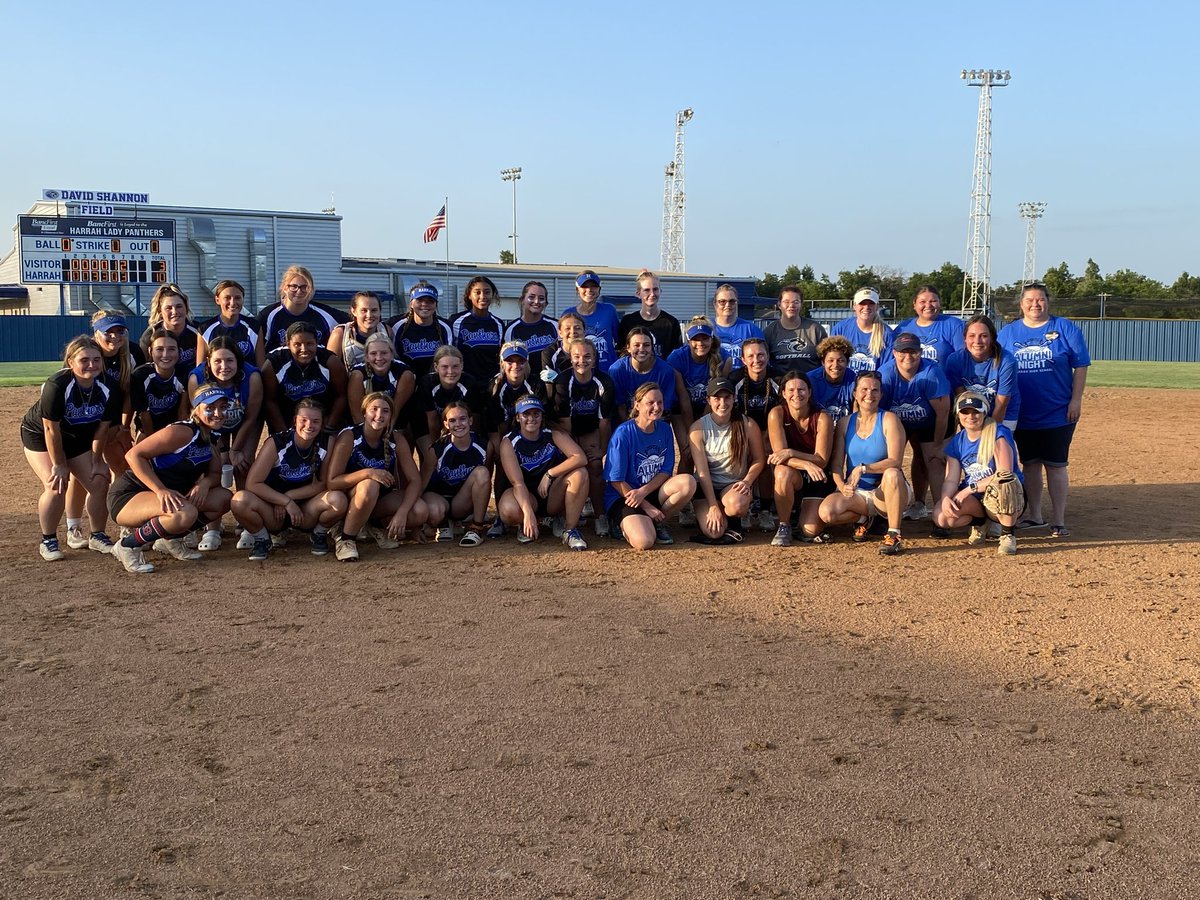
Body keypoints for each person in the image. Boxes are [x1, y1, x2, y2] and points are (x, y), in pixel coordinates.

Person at [107, 386, 235, 574]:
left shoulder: (212, 437)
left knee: (223, 498)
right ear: (196, 409)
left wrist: (204, 484)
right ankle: (127, 546)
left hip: (169, 496)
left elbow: (215, 474)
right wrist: (160, 490)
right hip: (129, 495)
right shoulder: (183, 431)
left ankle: (169, 540)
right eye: (210, 407)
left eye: (222, 407)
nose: (217, 413)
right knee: (185, 513)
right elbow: (134, 455)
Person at [997, 282, 1090, 537]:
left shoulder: (1064, 327)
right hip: (1022, 411)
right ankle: (1034, 515)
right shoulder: (1008, 333)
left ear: (1048, 302)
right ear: (1021, 304)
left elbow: (1080, 365)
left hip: (1058, 410)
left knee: (1056, 465)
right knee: (1030, 464)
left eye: (1040, 299)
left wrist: (1076, 400)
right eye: (1030, 300)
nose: (1035, 304)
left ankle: (1058, 520)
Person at [21, 337, 122, 561]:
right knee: (56, 484)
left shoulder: (109, 386)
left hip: (77, 437)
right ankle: (48, 540)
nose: (91, 365)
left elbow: (102, 430)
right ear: (70, 361)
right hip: (40, 435)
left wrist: (96, 461)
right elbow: (50, 430)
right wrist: (59, 464)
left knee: (99, 481)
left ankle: (97, 535)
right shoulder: (57, 385)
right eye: (84, 359)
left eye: (96, 359)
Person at [63, 311, 144, 547]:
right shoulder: (88, 354)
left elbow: (129, 393)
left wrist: (124, 426)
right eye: (108, 331)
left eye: (120, 331)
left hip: (114, 423)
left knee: (122, 467)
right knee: (80, 476)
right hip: (84, 422)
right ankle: (74, 527)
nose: (115, 336)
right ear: (96, 332)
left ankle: (125, 522)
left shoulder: (133, 353)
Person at [231, 398, 348, 560]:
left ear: (322, 423)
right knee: (239, 500)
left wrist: (289, 498)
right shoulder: (277, 443)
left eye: (315, 421)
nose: (309, 425)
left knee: (338, 499)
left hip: (303, 510)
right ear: (294, 421)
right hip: (272, 511)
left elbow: (322, 483)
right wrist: (282, 502)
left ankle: (318, 534)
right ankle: (262, 539)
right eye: (304, 420)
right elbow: (253, 484)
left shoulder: (327, 442)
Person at [325, 392, 428, 561]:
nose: (379, 415)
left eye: (385, 411)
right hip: (350, 496)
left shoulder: (396, 438)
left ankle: (375, 525)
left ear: (391, 416)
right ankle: (346, 538)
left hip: (379, 499)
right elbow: (332, 482)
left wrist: (402, 513)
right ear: (364, 412)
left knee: (420, 511)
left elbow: (414, 480)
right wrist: (368, 472)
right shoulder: (350, 436)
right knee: (369, 485)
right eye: (374, 409)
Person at [818, 371, 911, 555]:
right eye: (864, 389)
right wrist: (841, 485)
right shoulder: (845, 423)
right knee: (827, 513)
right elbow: (836, 465)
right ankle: (864, 518)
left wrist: (864, 468)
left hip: (885, 492)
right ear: (855, 393)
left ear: (881, 395)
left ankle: (894, 534)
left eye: (875, 390)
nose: (870, 395)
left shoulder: (889, 419)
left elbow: (895, 461)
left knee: (892, 473)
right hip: (858, 494)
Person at [603, 383, 697, 549]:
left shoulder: (664, 429)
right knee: (644, 542)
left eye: (660, 402)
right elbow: (615, 480)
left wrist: (644, 492)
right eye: (650, 403)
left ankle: (658, 523)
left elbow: (666, 470)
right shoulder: (624, 433)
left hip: (649, 490)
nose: (656, 407)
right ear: (637, 405)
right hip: (625, 496)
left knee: (688, 482)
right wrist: (644, 504)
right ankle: (621, 523)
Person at [934, 392, 1025, 556]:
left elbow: (1004, 473)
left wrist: (969, 489)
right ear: (958, 414)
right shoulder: (958, 441)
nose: (970, 416)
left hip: (1003, 494)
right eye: (965, 412)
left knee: (1006, 485)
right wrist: (946, 498)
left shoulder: (998, 432)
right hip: (977, 498)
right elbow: (950, 480)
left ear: (984, 412)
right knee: (942, 517)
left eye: (976, 411)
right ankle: (982, 523)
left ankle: (1007, 534)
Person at [497, 395, 590, 550]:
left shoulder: (552, 433)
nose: (531, 419)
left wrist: (550, 473)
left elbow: (580, 458)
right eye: (525, 414)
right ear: (518, 418)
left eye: (536, 414)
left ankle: (570, 530)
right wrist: (527, 512)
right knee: (508, 510)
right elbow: (517, 482)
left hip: (551, 494)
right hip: (526, 495)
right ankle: (527, 522)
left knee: (581, 474)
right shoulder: (509, 441)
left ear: (542, 416)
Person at [879, 332, 952, 525]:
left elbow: (943, 413)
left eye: (913, 352)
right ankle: (883, 510)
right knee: (886, 461)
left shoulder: (931, 372)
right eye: (903, 352)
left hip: (932, 420)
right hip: (898, 421)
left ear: (920, 353)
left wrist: (937, 445)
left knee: (933, 459)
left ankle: (940, 512)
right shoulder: (886, 375)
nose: (908, 357)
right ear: (894, 353)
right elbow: (879, 414)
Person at [687, 377, 766, 543]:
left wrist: (747, 481)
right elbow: (702, 472)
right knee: (714, 533)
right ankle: (710, 511)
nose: (722, 403)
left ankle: (733, 519)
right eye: (717, 398)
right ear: (708, 400)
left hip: (732, 484)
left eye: (727, 397)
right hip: (706, 486)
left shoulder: (748, 425)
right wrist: (713, 505)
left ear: (734, 398)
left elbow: (759, 459)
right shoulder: (698, 428)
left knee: (737, 505)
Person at [553, 338, 616, 537]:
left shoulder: (603, 381)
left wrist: (602, 450)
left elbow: (604, 422)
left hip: (591, 428)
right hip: (567, 431)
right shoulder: (563, 381)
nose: (582, 361)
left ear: (595, 358)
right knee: (571, 465)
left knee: (596, 466)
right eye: (577, 356)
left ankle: (600, 515)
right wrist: (574, 453)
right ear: (570, 359)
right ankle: (562, 515)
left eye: (587, 356)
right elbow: (564, 422)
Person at [767, 370, 834, 546]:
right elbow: (778, 456)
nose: (796, 394)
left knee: (809, 530)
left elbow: (822, 460)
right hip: (795, 473)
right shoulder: (777, 414)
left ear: (810, 392)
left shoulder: (822, 418)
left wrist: (791, 452)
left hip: (818, 475)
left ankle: (802, 515)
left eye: (801, 389)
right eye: (791, 390)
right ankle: (784, 525)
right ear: (783, 393)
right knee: (781, 472)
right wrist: (805, 463)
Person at [609, 329, 691, 463]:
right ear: (628, 348)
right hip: (627, 421)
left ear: (653, 348)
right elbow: (620, 407)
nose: (642, 349)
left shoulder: (665, 371)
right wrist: (631, 433)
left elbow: (662, 410)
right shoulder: (617, 370)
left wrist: (651, 435)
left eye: (646, 345)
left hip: (656, 421)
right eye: (636, 345)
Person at [421, 400, 492, 545]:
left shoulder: (485, 445)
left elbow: (486, 479)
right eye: (452, 420)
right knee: (435, 512)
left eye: (462, 419)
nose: (458, 424)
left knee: (482, 473)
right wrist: (416, 524)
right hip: (438, 498)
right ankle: (444, 523)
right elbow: (421, 484)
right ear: (446, 424)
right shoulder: (437, 449)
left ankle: (476, 527)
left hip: (461, 502)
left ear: (470, 420)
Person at [262, 321, 348, 434]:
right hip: (287, 422)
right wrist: (283, 433)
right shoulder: (274, 363)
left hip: (322, 423)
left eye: (309, 344)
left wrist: (330, 426)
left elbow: (341, 395)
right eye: (297, 344)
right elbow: (269, 400)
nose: (304, 349)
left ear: (316, 342)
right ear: (288, 344)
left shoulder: (330, 361)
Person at [732, 337, 780, 531]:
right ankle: (747, 504)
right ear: (743, 359)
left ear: (768, 356)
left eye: (761, 355)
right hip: (742, 428)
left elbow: (784, 410)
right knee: (741, 457)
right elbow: (728, 411)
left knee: (767, 458)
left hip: (771, 429)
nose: (756, 360)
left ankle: (766, 510)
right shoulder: (735, 380)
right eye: (750, 356)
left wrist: (769, 435)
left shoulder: (777, 379)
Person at [943, 314, 1020, 428]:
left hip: (1003, 412)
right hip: (972, 411)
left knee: (996, 444)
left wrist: (991, 432)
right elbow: (963, 398)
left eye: (983, 336)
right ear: (965, 338)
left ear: (992, 338)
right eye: (972, 336)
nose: (977, 341)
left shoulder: (1007, 361)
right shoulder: (955, 360)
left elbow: (1001, 404)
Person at [259, 265, 348, 352]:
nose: (299, 291)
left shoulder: (325, 314)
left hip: (316, 365)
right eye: (294, 286)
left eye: (304, 287)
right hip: (279, 365)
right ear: (285, 288)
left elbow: (355, 321)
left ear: (311, 289)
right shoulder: (269, 315)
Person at [346, 333, 415, 430]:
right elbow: (357, 415)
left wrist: (386, 437)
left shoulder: (404, 373)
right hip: (364, 424)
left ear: (391, 354)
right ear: (366, 356)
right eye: (373, 353)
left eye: (384, 353)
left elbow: (395, 411)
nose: (379, 358)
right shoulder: (358, 375)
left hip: (395, 424)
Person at [139, 283, 203, 382]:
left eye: (179, 306)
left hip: (192, 383)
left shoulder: (199, 332)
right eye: (168, 308)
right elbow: (142, 370)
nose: (175, 312)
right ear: (160, 311)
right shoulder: (150, 336)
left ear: (186, 308)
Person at [389, 281, 453, 379]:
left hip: (435, 381)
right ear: (411, 303)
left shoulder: (445, 327)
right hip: (405, 380)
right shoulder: (396, 325)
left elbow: (449, 358)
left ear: (436, 304)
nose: (424, 304)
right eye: (419, 300)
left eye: (430, 301)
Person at [130, 328, 187, 438]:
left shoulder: (184, 374)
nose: (165, 355)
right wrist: (154, 442)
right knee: (142, 445)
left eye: (171, 349)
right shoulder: (140, 376)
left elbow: (182, 413)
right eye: (159, 349)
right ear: (150, 351)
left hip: (173, 427)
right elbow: (144, 415)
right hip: (147, 429)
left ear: (179, 351)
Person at [667, 317, 731, 414]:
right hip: (681, 408)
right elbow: (683, 397)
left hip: (711, 408)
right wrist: (692, 428)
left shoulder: (724, 358)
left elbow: (715, 398)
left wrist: (703, 424)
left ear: (711, 339)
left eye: (705, 339)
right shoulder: (676, 359)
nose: (700, 343)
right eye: (695, 339)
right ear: (688, 341)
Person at [198, 279, 266, 369]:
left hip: (247, 380)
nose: (233, 302)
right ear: (217, 300)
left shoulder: (254, 327)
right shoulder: (205, 329)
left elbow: (261, 366)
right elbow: (200, 369)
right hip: (218, 381)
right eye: (227, 298)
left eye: (237, 298)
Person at [562, 270, 620, 374]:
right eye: (584, 286)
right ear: (577, 290)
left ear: (599, 289)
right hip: (580, 373)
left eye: (593, 286)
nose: (589, 290)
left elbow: (619, 341)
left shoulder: (609, 310)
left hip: (608, 372)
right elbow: (563, 347)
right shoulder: (568, 314)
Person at [761, 284, 827, 376]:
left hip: (811, 385)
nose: (791, 305)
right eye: (786, 302)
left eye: (796, 302)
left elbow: (826, 361)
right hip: (781, 385)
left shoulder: (815, 329)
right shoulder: (769, 332)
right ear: (779, 305)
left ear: (801, 305)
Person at [449, 275, 506, 382]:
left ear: (493, 295)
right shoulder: (456, 321)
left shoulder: (498, 324)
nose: (483, 296)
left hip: (491, 384)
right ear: (469, 295)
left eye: (487, 292)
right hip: (465, 383)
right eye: (477, 292)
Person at [894, 284, 965, 365]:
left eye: (933, 301)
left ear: (939, 303)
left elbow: (963, 359)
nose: (928, 305)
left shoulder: (954, 325)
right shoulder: (903, 328)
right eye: (922, 302)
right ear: (914, 304)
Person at [618, 270, 682, 359]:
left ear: (660, 291)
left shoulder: (671, 322)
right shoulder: (628, 322)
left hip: (662, 372)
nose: (652, 294)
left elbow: (677, 356)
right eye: (647, 290)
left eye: (655, 289)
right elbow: (622, 354)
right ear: (638, 294)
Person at [830, 287, 894, 375]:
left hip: (871, 386)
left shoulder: (887, 334)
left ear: (877, 307)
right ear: (855, 306)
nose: (866, 307)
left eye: (871, 303)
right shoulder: (841, 328)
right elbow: (832, 360)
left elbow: (886, 370)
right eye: (862, 303)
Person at [503, 281, 559, 373]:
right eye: (531, 297)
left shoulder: (555, 325)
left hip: (552, 383)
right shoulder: (511, 329)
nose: (536, 301)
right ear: (522, 300)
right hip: (526, 384)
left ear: (546, 303)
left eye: (541, 298)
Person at [327, 290, 389, 372]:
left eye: (374, 310)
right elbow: (330, 370)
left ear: (380, 311)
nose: (369, 315)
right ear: (354, 311)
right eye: (364, 310)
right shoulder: (340, 334)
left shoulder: (387, 331)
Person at [711, 283, 765, 371]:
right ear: (715, 304)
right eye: (722, 301)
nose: (727, 305)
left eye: (732, 301)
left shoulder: (751, 329)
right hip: (715, 380)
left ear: (737, 303)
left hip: (744, 380)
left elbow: (763, 359)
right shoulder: (707, 328)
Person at [807, 336, 858, 428]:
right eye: (830, 360)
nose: (835, 365)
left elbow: (858, 415)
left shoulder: (854, 381)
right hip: (816, 428)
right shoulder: (810, 380)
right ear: (823, 362)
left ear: (847, 362)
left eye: (840, 360)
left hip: (844, 430)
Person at [541, 311, 586, 380]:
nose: (573, 331)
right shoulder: (549, 353)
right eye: (567, 328)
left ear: (584, 332)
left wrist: (559, 377)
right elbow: (548, 385)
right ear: (560, 333)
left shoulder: (590, 351)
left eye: (577, 328)